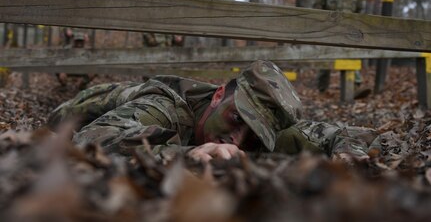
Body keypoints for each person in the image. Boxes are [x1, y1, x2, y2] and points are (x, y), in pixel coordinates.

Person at [48, 60, 379, 162]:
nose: (237, 138)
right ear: (220, 94)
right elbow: (88, 142)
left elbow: (337, 133)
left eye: (255, 134)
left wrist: (350, 154)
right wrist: (184, 156)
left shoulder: (259, 132)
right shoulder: (165, 109)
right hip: (83, 109)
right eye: (238, 119)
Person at [313, 0, 364, 93]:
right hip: (329, 32)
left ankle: (354, 87)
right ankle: (322, 89)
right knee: (325, 60)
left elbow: (360, 13)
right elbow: (316, 8)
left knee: (351, 57)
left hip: (348, 33)